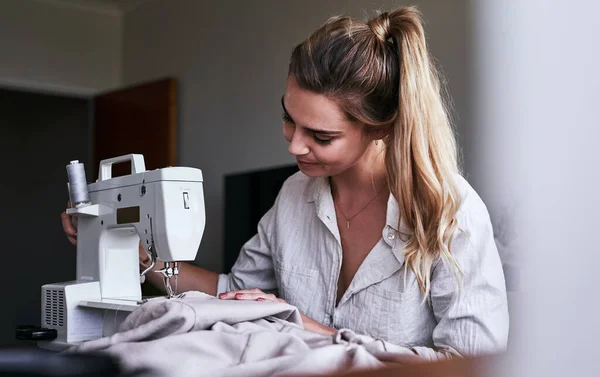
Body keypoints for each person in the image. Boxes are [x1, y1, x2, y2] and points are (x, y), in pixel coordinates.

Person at [61, 6, 508, 359]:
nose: (295, 146)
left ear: (382, 129)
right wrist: (147, 262)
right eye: (288, 120)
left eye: (321, 136)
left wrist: (321, 333)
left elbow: (469, 364)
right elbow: (229, 291)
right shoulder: (295, 195)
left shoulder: (450, 214)